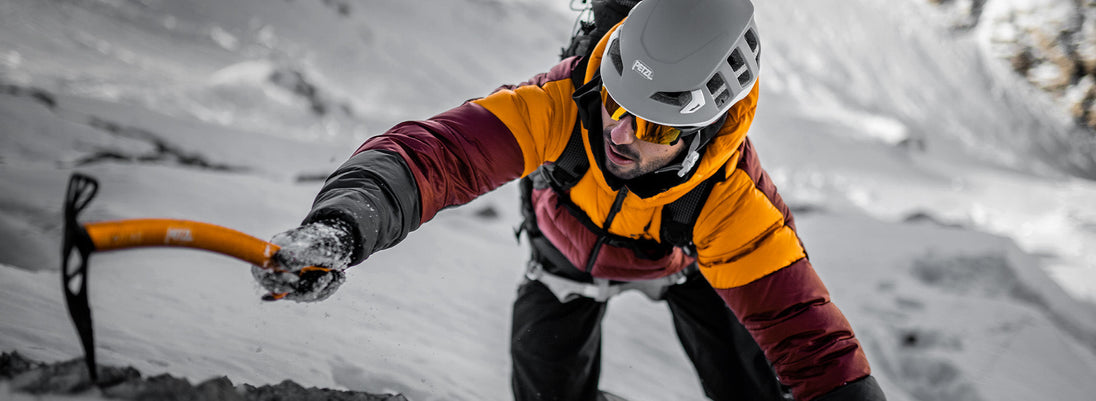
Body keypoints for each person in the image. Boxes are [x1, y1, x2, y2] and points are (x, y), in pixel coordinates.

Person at [251, 0, 887, 400]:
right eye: (617, 105)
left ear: (702, 131)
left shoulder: (731, 198)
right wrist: (340, 227)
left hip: (686, 265)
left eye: (654, 126)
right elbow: (434, 156)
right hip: (561, 261)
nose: (620, 133)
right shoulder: (564, 101)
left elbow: (811, 344)